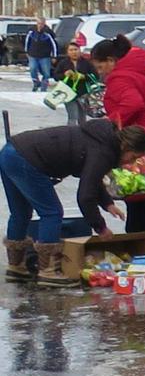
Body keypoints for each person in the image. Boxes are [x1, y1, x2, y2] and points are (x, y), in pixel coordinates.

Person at [3, 116, 134, 287]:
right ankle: (48, 272)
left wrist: (108, 204)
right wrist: (100, 227)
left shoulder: (100, 138)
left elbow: (92, 178)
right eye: (133, 156)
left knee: (20, 213)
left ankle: (16, 268)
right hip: (27, 159)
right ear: (126, 147)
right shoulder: (104, 151)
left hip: (10, 152)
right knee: (51, 213)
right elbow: (86, 195)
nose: (130, 162)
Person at [91, 36, 145, 236]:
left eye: (100, 66)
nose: (100, 73)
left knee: (136, 195)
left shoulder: (121, 76)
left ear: (112, 60)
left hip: (140, 139)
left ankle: (142, 247)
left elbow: (133, 103)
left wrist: (110, 122)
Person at [24, 19, 56, 91]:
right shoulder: (31, 32)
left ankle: (44, 85)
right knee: (32, 69)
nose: (40, 25)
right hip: (33, 55)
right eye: (39, 23)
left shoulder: (48, 33)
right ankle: (36, 82)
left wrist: (54, 56)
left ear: (44, 24)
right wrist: (26, 52)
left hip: (45, 56)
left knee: (46, 72)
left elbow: (54, 45)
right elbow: (27, 42)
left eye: (42, 23)